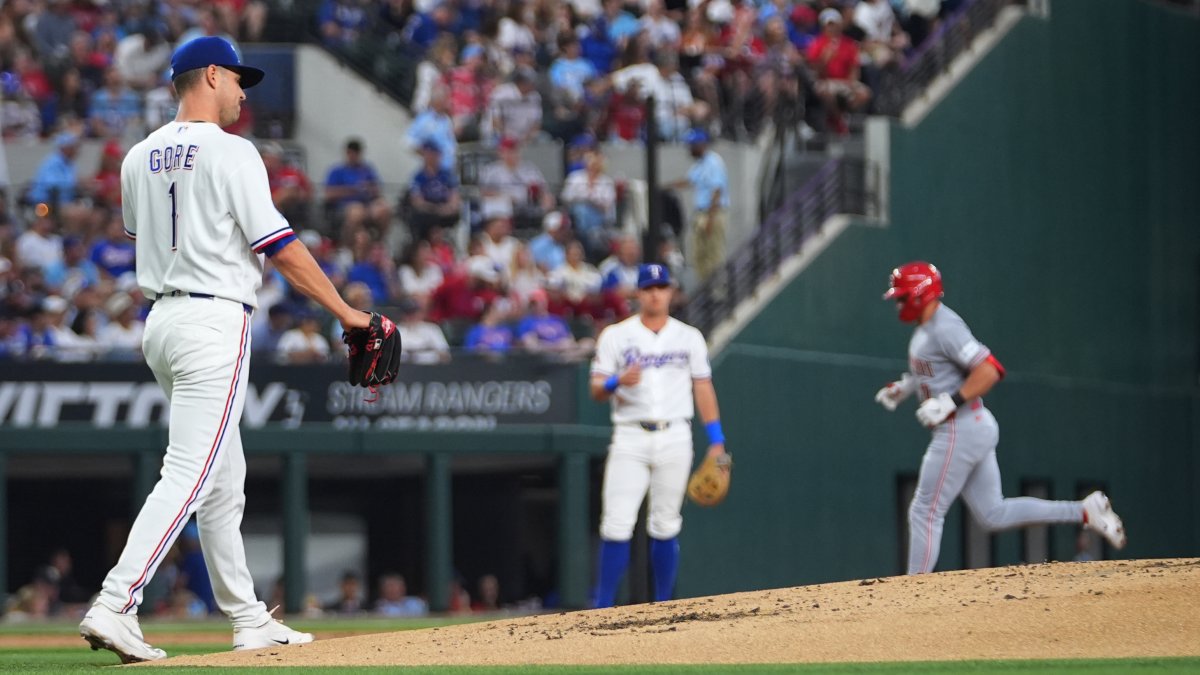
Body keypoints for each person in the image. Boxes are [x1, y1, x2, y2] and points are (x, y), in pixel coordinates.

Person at [78, 36, 378, 663]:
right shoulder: (233, 151)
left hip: (161, 320)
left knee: (224, 479)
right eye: (238, 78)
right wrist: (347, 312)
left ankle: (248, 619)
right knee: (190, 472)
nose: (244, 91)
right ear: (210, 74)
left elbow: (145, 231)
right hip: (214, 318)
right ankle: (115, 601)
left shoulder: (138, 155)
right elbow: (282, 248)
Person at [875, 262, 1127, 575]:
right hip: (972, 426)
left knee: (924, 510)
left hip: (959, 428)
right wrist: (904, 387)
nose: (898, 303)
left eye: (902, 296)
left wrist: (950, 401)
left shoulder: (945, 326)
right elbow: (932, 371)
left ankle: (913, 590)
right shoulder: (927, 329)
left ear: (919, 295)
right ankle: (1086, 511)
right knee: (992, 513)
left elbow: (990, 369)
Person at [589, 263, 727, 607]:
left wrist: (717, 440)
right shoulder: (617, 335)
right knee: (616, 523)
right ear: (638, 293)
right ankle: (601, 607)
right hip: (630, 435)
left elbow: (703, 387)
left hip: (675, 434)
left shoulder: (688, 336)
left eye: (661, 287)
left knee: (666, 522)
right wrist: (616, 381)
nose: (655, 293)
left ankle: (665, 604)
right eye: (649, 287)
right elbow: (595, 388)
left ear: (671, 292)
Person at [668, 128, 728, 284]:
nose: (690, 149)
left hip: (713, 212)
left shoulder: (714, 162)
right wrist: (666, 186)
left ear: (702, 145)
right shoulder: (700, 164)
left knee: (713, 254)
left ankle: (718, 292)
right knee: (699, 255)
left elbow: (717, 191)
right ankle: (705, 291)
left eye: (692, 145)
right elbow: (688, 181)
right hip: (701, 213)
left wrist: (711, 219)